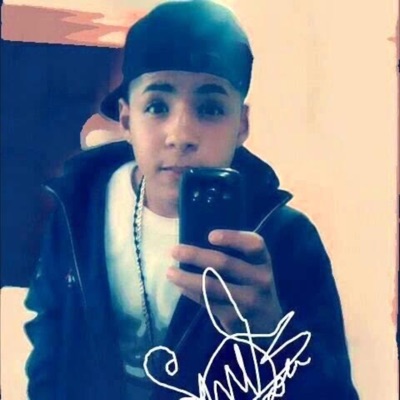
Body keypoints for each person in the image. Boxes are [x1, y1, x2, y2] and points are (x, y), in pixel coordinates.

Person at [24, 1, 359, 399]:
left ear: (241, 126)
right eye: (157, 106)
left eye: (211, 108)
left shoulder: (287, 239)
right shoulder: (77, 208)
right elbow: (48, 338)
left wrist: (272, 334)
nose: (180, 135)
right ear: (127, 120)